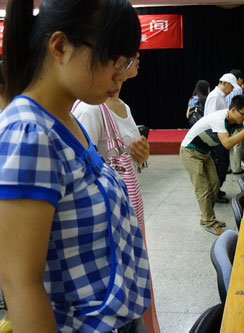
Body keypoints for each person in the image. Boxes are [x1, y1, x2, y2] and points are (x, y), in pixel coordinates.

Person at [0, 1, 150, 332]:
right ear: (60, 46)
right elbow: (20, 283)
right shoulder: (29, 133)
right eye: (113, 59)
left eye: (125, 62)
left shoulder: (67, 120)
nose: (121, 73)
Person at [72, 52, 160, 333]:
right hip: (110, 222)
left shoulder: (121, 105)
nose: (133, 63)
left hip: (130, 210)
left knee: (136, 282)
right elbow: (82, 169)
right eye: (127, 57)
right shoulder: (89, 109)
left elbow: (123, 158)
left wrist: (140, 153)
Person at [180, 95, 244, 235]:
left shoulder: (234, 120)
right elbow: (227, 143)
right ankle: (209, 222)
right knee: (203, 188)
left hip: (204, 152)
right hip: (190, 151)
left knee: (214, 184)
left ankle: (206, 217)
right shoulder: (220, 119)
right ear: (234, 110)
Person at [205, 73, 238, 203]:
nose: (231, 90)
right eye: (230, 87)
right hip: (217, 136)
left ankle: (217, 189)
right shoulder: (214, 96)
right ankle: (215, 193)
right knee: (219, 164)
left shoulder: (220, 96)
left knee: (223, 164)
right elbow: (213, 118)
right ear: (224, 83)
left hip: (221, 134)